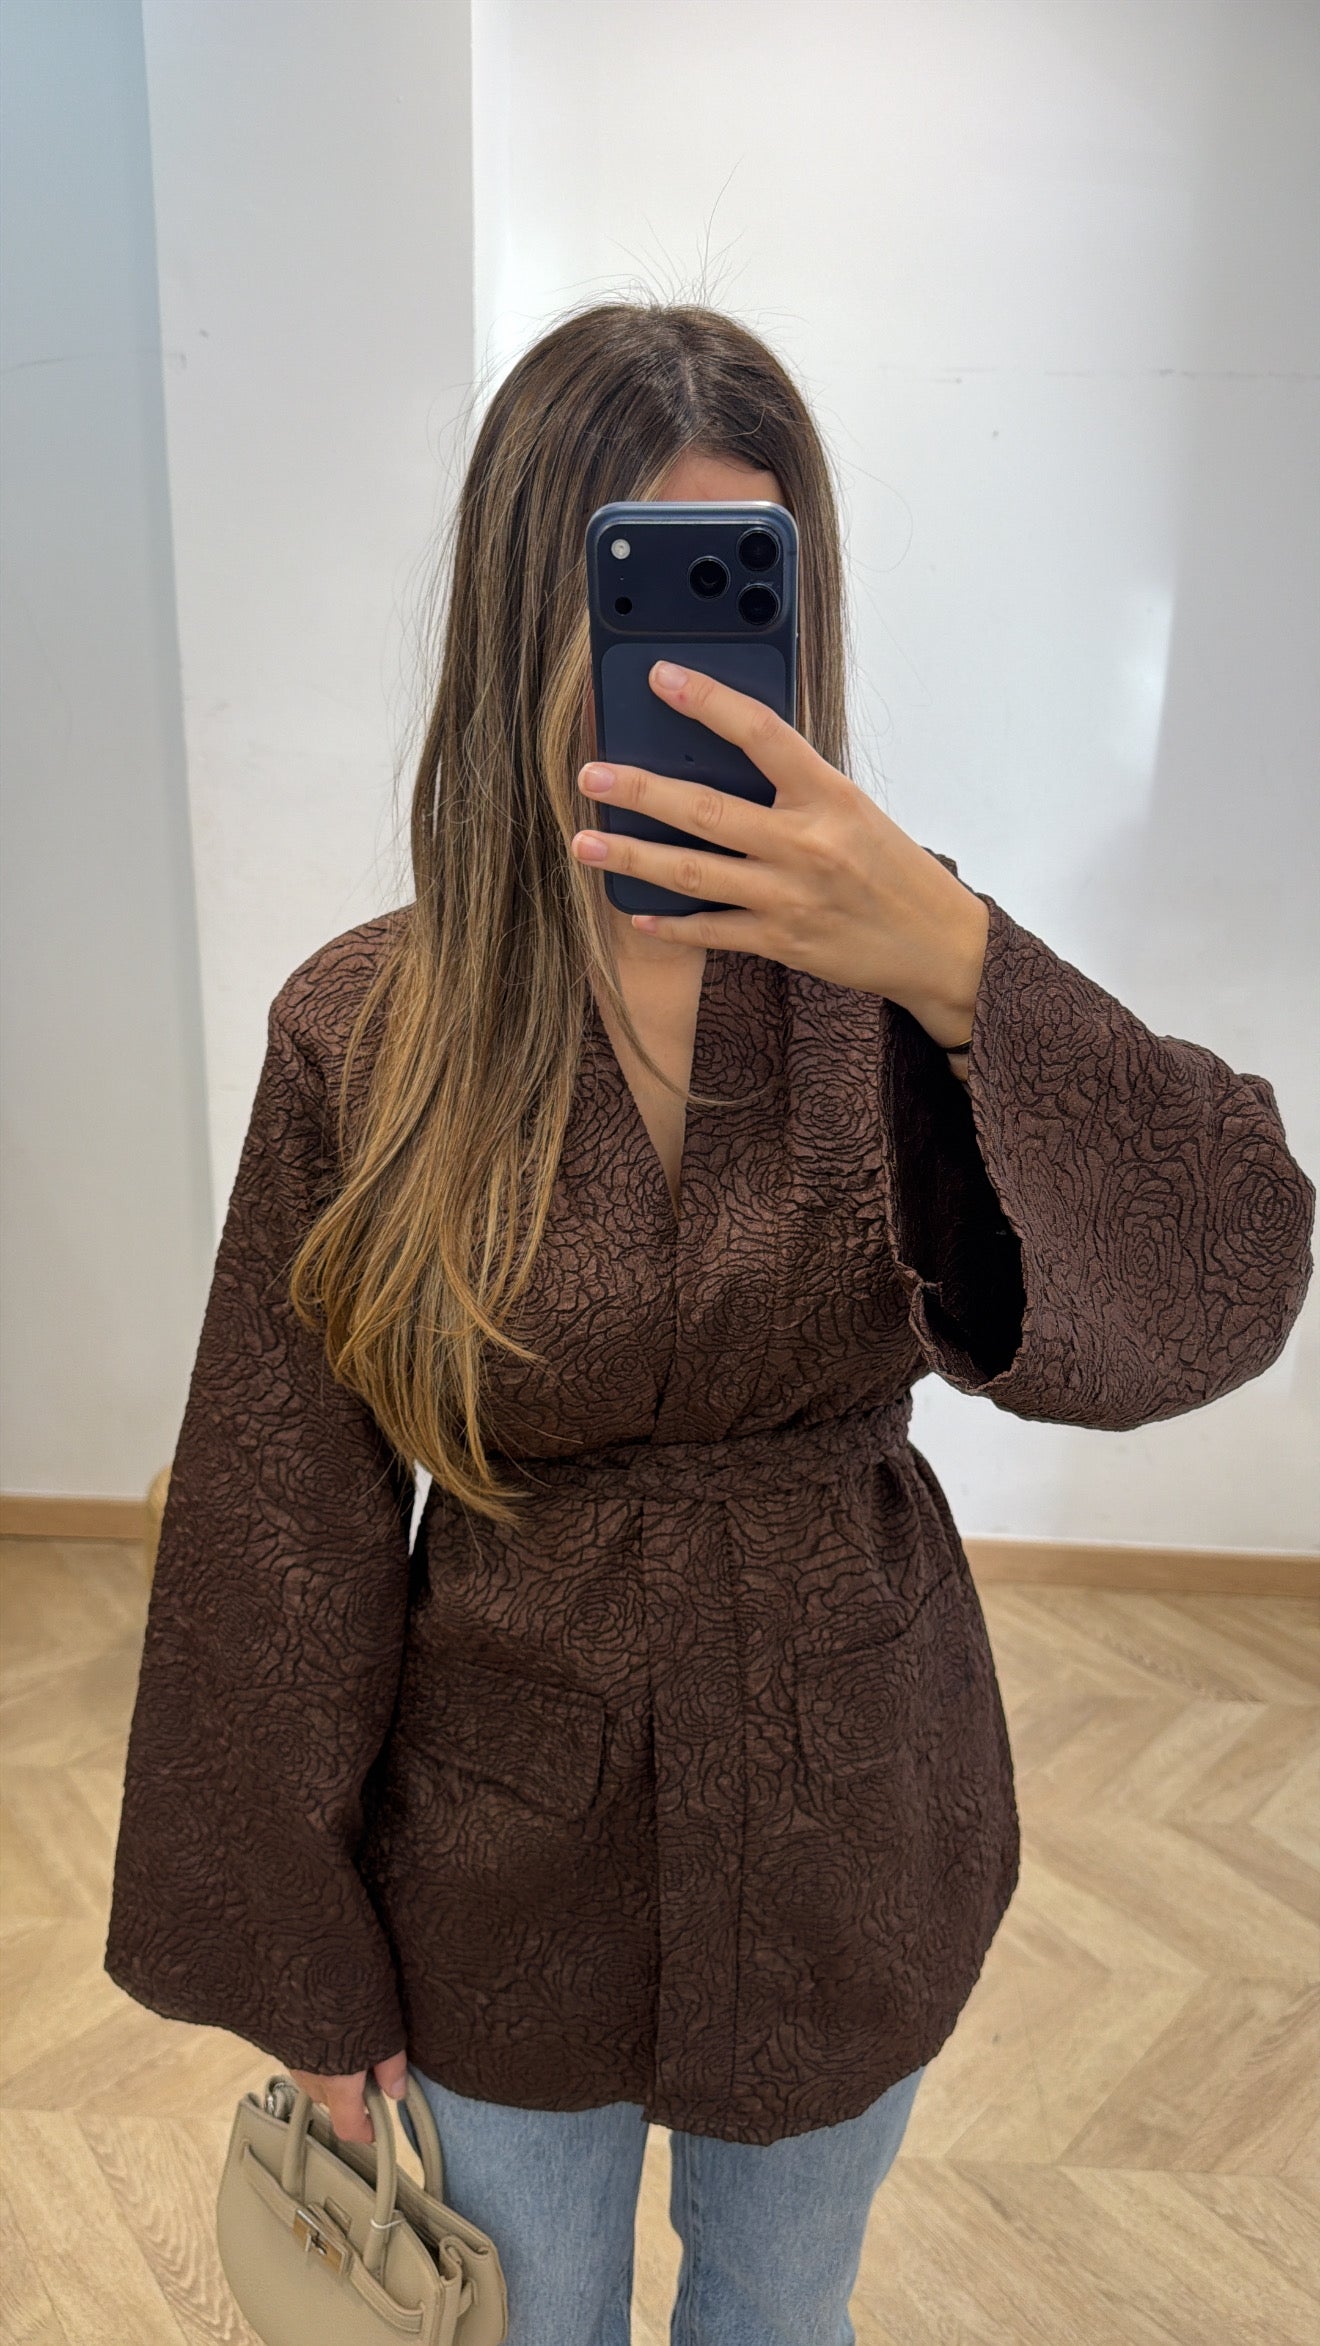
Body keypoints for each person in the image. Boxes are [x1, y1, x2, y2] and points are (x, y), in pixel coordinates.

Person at [104, 302, 1314, 2346]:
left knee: (779, 2311)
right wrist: (301, 1950)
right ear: (528, 617)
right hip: (500, 1846)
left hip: (852, 1808)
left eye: (736, 594)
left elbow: (1233, 1266)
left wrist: (960, 959)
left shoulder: (904, 973)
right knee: (528, 2316)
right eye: (627, 596)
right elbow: (276, 1525)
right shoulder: (370, 1026)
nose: (678, 668)